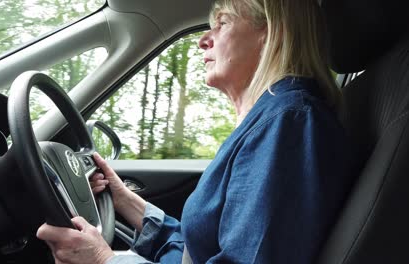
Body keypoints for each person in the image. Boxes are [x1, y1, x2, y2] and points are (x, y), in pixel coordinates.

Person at [36, 0, 354, 263]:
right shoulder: (272, 120)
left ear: (274, 33)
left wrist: (104, 260)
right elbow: (196, 252)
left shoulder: (291, 122)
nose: (204, 39)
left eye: (224, 23)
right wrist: (123, 199)